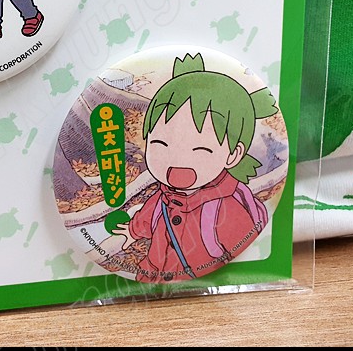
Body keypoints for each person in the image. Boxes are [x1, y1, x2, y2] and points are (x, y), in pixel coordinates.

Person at [113, 53, 276, 282]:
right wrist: (133, 230)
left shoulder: (227, 207)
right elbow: (152, 212)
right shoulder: (166, 195)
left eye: (201, 150)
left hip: (201, 280)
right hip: (151, 274)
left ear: (233, 155)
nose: (178, 163)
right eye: (160, 144)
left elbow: (243, 245)